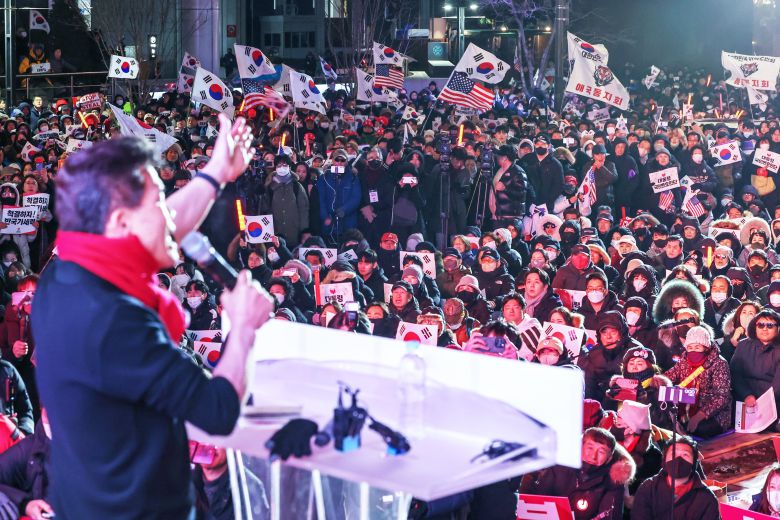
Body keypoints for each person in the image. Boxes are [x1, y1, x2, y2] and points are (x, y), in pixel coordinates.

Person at [32, 120, 277, 518]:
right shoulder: (115, 325)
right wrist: (244, 326)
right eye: (159, 199)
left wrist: (216, 173)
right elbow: (217, 411)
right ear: (120, 223)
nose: (169, 212)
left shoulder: (62, 276)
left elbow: (158, 229)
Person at [521, 427, 635, 520]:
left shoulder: (612, 481)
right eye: (590, 448)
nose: (593, 456)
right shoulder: (557, 467)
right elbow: (537, 500)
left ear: (609, 458)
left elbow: (610, 516)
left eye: (601, 451)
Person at [664, 325, 732, 438]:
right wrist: (656, 381)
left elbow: (721, 397)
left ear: (706, 347)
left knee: (699, 430)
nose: (693, 350)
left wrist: (699, 416)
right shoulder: (684, 360)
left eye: (697, 347)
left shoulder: (719, 363)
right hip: (686, 408)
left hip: (712, 414)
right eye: (690, 347)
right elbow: (670, 375)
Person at [631, 437, 719, 519]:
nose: (678, 459)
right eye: (673, 454)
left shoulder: (707, 498)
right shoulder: (648, 489)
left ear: (694, 464)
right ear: (664, 461)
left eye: (685, 455)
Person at [730, 309, 780, 425]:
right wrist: (747, 395)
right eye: (761, 325)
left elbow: (777, 385)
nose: (765, 329)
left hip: (772, 400)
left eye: (770, 325)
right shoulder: (743, 345)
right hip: (743, 398)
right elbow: (735, 374)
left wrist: (762, 403)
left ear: (778, 328)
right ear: (755, 327)